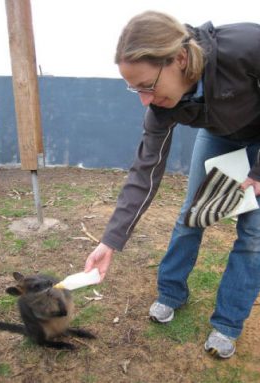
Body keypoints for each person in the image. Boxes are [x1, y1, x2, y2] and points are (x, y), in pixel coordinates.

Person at [85, 10, 260, 359]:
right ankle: (170, 293)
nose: (144, 100)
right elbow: (144, 173)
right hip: (220, 136)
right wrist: (110, 240)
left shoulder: (246, 46)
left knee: (254, 236)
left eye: (147, 86)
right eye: (134, 89)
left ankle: (227, 323)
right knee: (190, 216)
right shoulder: (161, 109)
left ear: (180, 59)